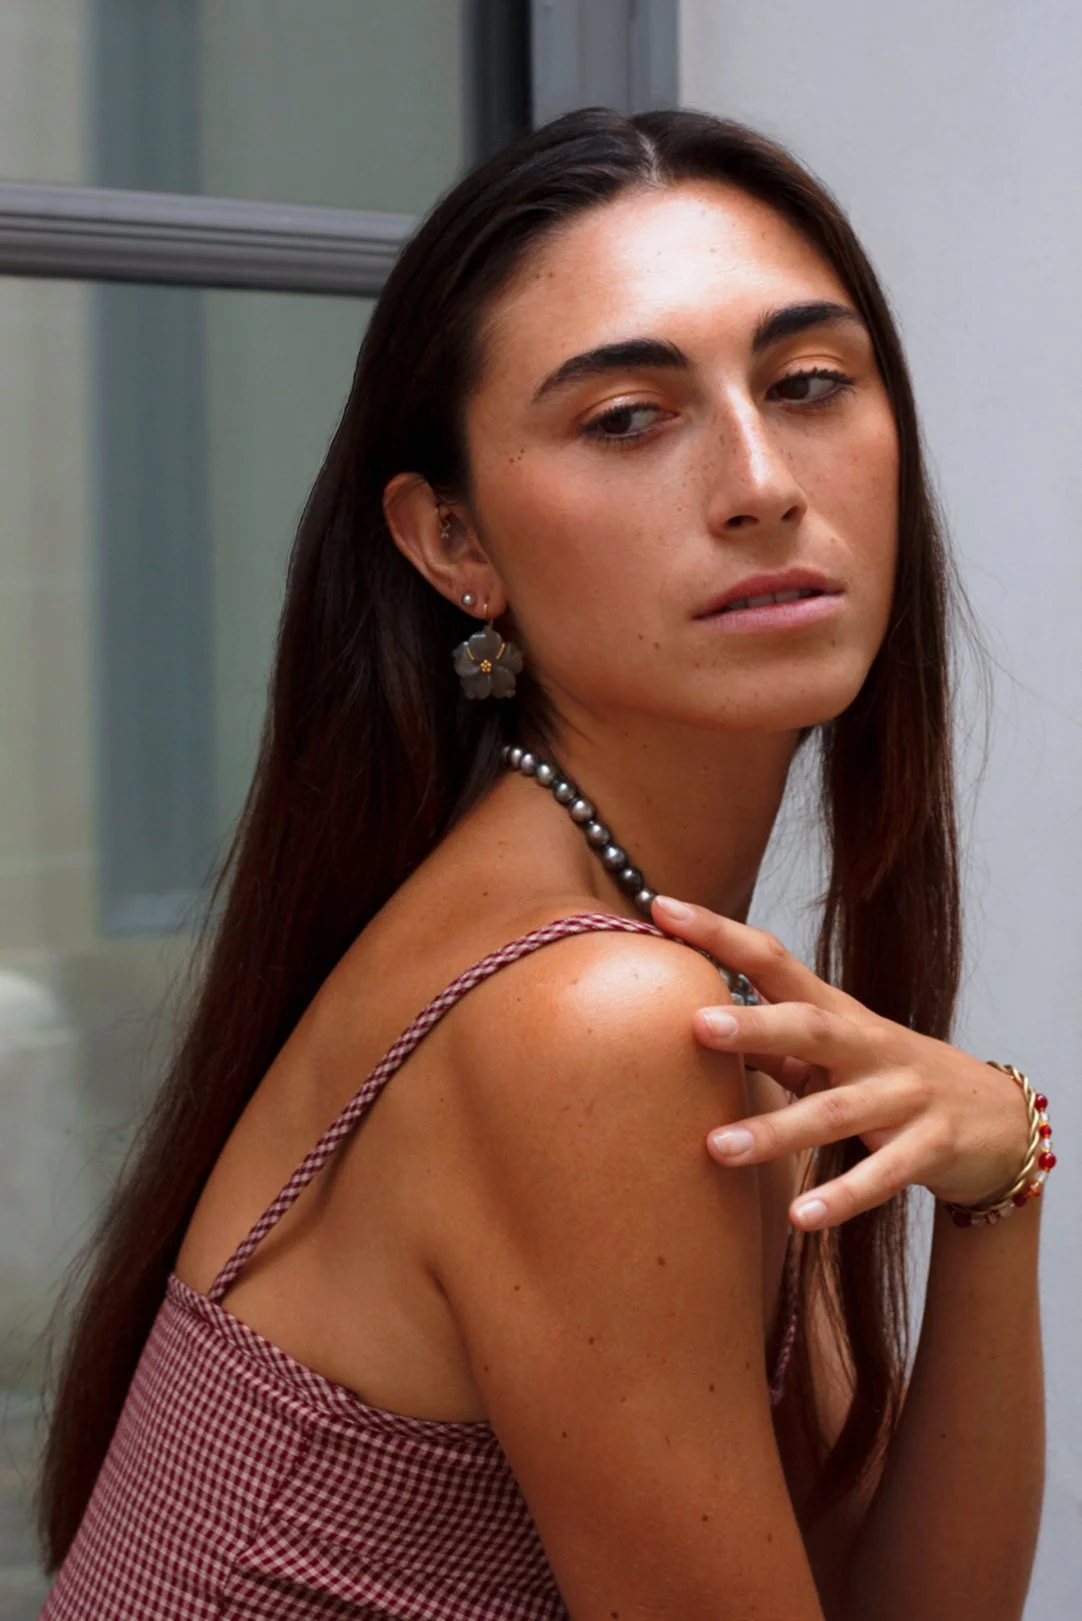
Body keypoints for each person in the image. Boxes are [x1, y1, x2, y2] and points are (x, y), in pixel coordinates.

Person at [37, 108, 1047, 1620]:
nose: (762, 481)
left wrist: (1001, 1180)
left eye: (809, 384)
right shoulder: (589, 1026)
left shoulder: (660, 976)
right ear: (453, 544)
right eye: (628, 417)